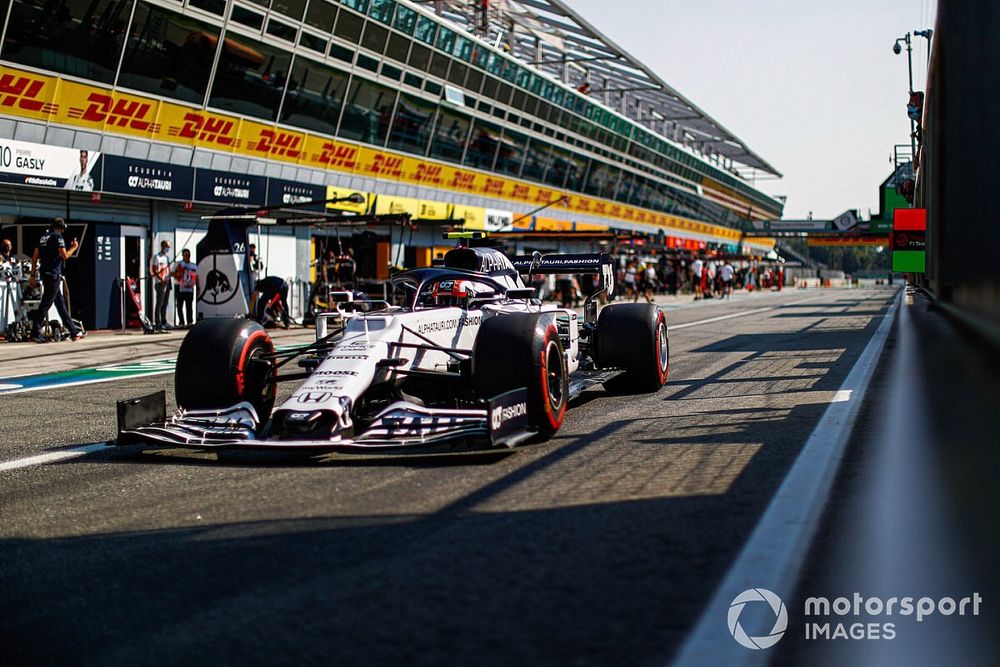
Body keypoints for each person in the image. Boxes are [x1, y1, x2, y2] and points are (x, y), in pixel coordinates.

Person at [28, 218, 83, 342]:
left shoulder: (43, 238)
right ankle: (35, 332)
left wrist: (32, 275)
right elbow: (65, 255)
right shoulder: (58, 238)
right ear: (61, 228)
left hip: (45, 274)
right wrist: (74, 247)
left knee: (60, 304)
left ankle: (73, 331)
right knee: (46, 304)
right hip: (53, 275)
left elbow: (35, 257)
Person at [172, 248, 198, 327]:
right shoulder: (178, 264)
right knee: (179, 306)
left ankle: (189, 322)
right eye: (186, 255)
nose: (187, 256)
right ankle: (181, 322)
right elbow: (172, 273)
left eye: (189, 255)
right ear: (183, 255)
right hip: (180, 287)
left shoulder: (193, 265)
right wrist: (179, 276)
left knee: (189, 306)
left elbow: (196, 276)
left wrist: (197, 286)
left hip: (189, 288)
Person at [149, 239, 172, 330]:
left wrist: (169, 280)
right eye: (167, 247)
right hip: (160, 283)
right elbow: (154, 270)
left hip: (167, 281)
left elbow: (168, 270)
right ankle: (158, 322)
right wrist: (160, 279)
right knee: (160, 303)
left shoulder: (167, 258)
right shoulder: (157, 257)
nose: (168, 249)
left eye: (169, 247)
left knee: (165, 303)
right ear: (162, 246)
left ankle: (164, 321)